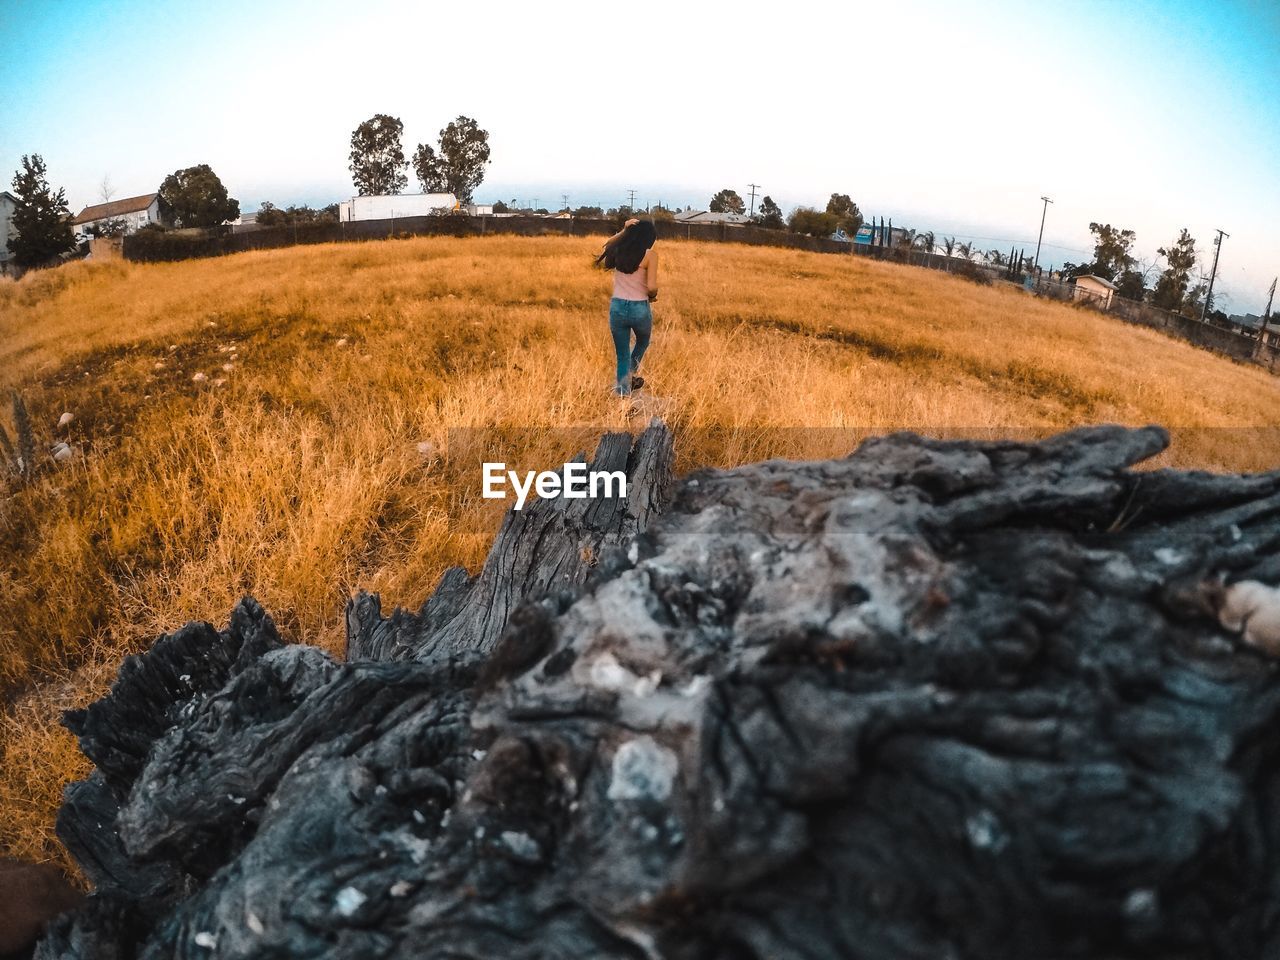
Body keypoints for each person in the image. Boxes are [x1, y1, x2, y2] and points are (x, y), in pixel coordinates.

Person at [595, 218, 658, 396]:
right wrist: (652, 296)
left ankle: (623, 393)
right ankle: (630, 376)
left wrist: (623, 230)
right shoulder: (650, 255)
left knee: (621, 354)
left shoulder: (618, 251)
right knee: (643, 342)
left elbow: (607, 244)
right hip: (640, 307)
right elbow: (652, 287)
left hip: (617, 307)